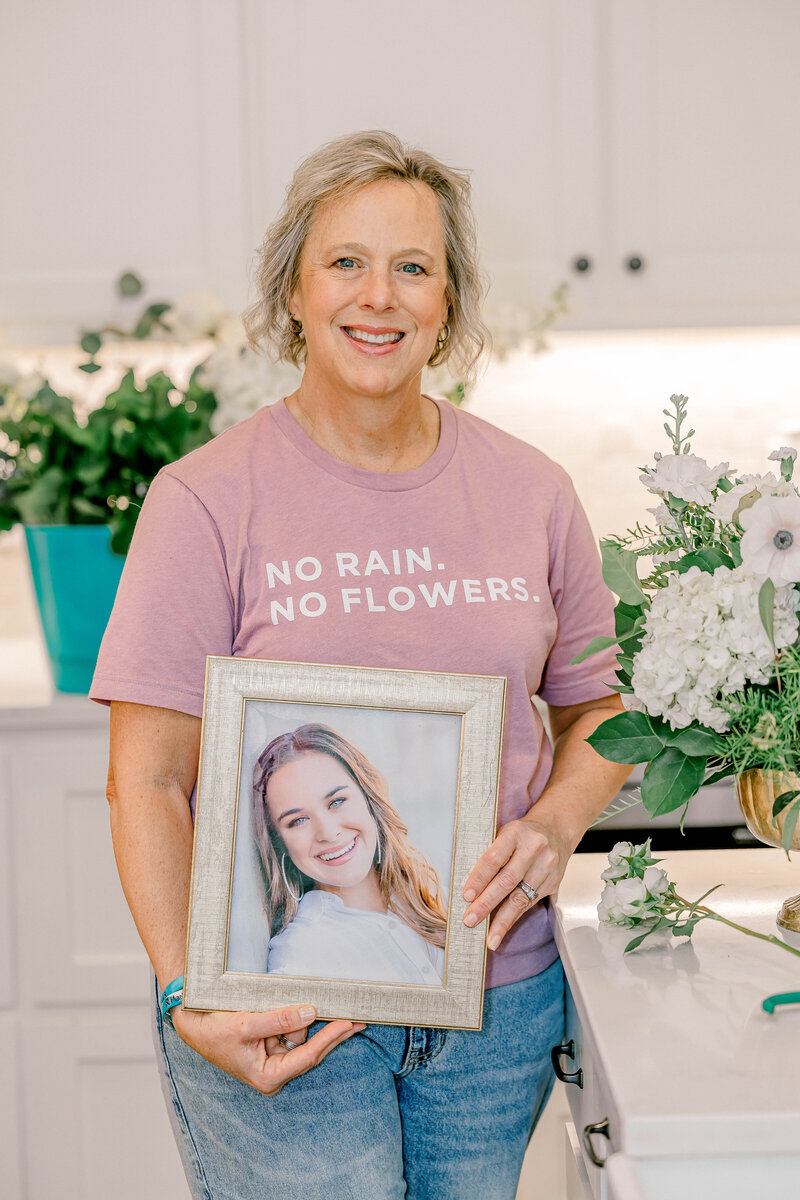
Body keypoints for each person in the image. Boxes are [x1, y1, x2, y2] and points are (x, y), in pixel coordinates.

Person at [91, 128, 632, 1199]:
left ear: (448, 302)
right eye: (344, 262)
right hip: (278, 1006)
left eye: (412, 267)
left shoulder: (531, 493)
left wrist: (557, 821)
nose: (376, 297)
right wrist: (182, 990)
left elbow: (601, 712)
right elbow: (147, 779)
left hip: (494, 1005)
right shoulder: (205, 500)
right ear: (291, 288)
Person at [252, 722, 446, 985]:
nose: (329, 833)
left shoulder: (434, 892)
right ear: (280, 845)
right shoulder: (299, 957)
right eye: (298, 820)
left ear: (368, 798)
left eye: (336, 801)